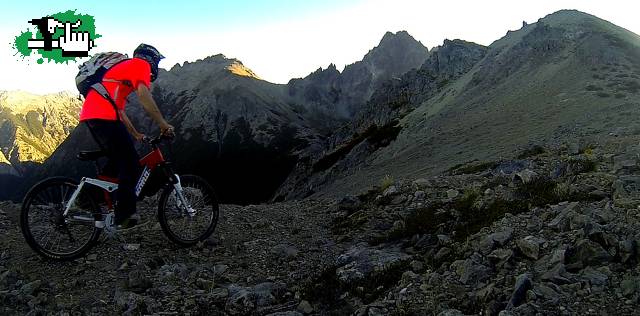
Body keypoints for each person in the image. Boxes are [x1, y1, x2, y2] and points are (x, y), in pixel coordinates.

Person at [78, 43, 174, 229]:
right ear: (150, 59)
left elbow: (119, 110)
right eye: (156, 62)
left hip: (95, 115)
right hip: (103, 116)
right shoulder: (139, 65)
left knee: (118, 160)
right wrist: (163, 124)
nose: (156, 67)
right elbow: (144, 96)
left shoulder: (122, 72)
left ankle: (85, 198)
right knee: (130, 163)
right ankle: (125, 214)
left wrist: (135, 133)